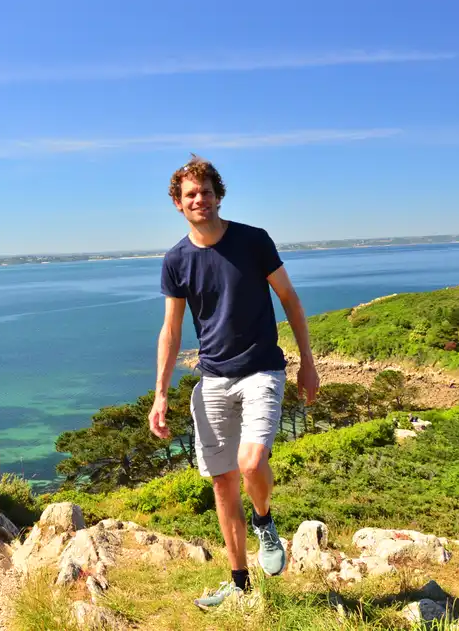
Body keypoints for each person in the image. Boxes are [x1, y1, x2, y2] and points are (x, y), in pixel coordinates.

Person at [149, 155, 319, 610]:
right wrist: (161, 394)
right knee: (222, 484)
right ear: (178, 204)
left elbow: (289, 299)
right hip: (212, 381)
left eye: (205, 191)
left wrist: (307, 361)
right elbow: (171, 330)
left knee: (248, 464)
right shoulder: (176, 260)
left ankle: (265, 521)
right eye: (190, 194)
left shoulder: (253, 241)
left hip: (263, 369)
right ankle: (239, 581)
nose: (199, 199)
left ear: (218, 196)